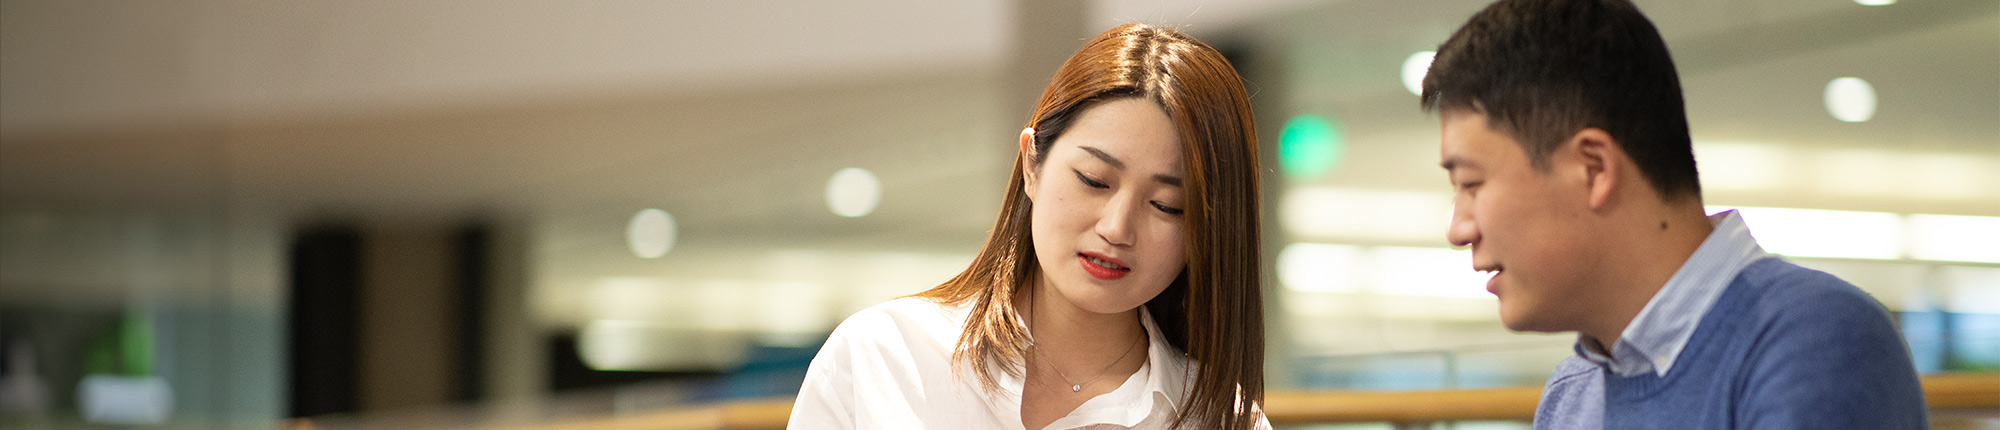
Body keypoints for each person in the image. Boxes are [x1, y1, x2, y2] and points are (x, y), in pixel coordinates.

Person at [1419, 0, 1928, 428]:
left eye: (1470, 184)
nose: (1458, 228)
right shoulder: (1571, 398)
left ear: (1592, 169)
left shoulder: (1816, 343)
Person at [787, 23, 1268, 430]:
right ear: (1031, 165)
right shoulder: (888, 358)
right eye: (1094, 181)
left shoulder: (1220, 417)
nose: (1118, 227)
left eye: (1167, 206)